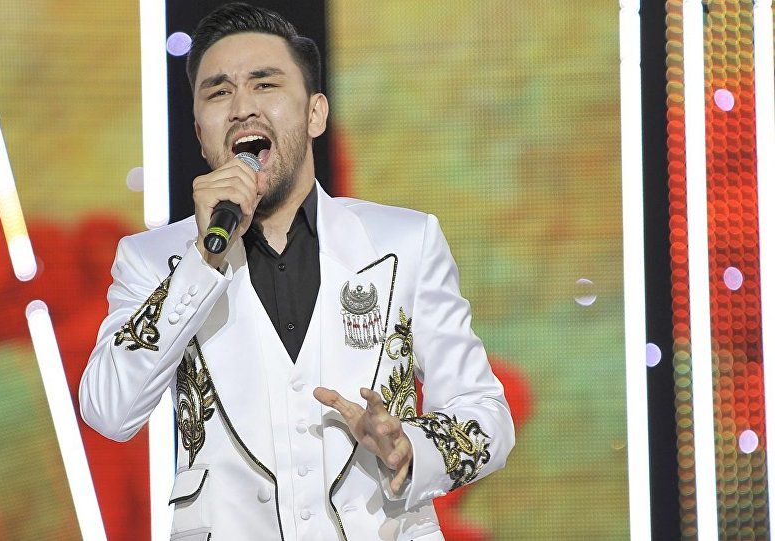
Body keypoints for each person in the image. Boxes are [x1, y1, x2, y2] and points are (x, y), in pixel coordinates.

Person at [78, 3, 514, 540]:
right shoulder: (152, 259)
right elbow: (108, 410)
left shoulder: (405, 242)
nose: (242, 108)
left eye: (265, 85)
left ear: (315, 114)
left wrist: (410, 449)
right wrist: (202, 261)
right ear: (199, 132)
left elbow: (485, 412)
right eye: (219, 92)